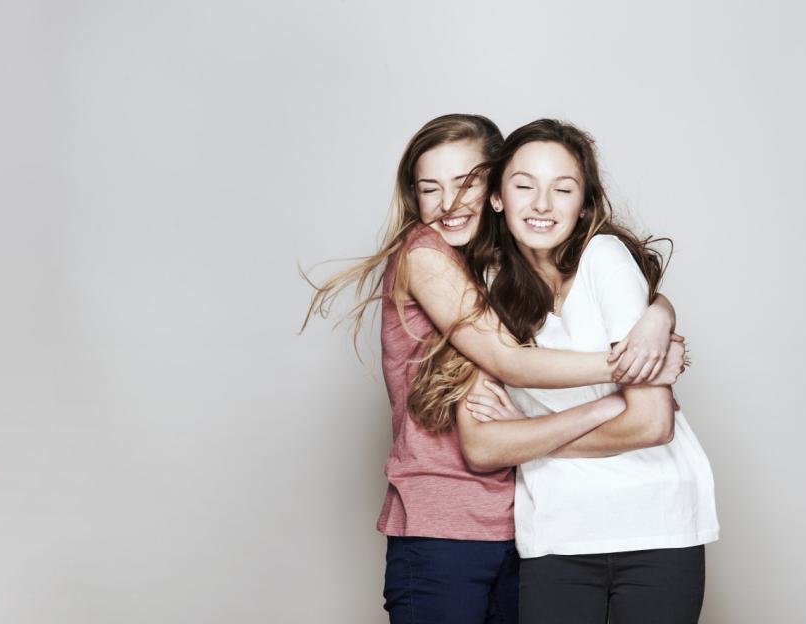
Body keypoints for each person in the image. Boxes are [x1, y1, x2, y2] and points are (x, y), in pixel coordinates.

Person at [302, 114, 687, 624]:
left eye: (466, 183)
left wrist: (657, 315)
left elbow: (615, 287)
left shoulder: (497, 270)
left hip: (519, 523)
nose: (449, 204)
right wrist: (630, 370)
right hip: (443, 523)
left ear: (495, 188)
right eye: (429, 189)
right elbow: (511, 364)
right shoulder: (425, 253)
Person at [457, 119, 719, 624]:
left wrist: (527, 434)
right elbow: (485, 447)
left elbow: (651, 423)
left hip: (656, 524)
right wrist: (607, 404)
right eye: (523, 185)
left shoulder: (605, 258)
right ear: (495, 197)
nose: (541, 204)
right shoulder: (483, 284)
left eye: (563, 188)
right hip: (556, 529)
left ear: (584, 203)